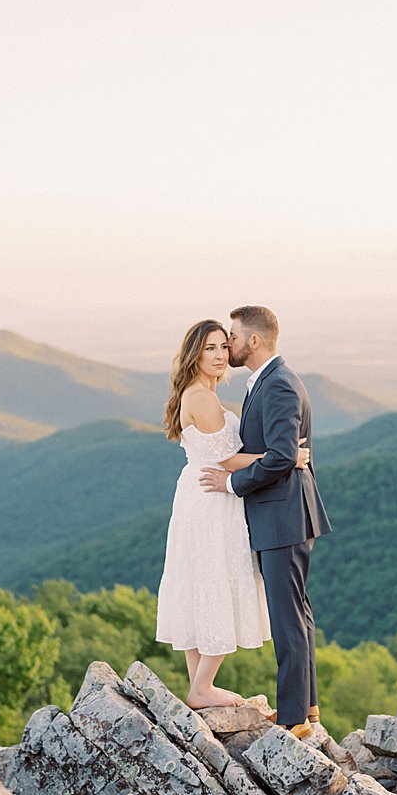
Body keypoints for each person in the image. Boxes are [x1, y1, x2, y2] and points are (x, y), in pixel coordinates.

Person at [156, 318, 311, 710]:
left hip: (201, 492)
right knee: (216, 577)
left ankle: (198, 688)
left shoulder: (199, 393)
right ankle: (203, 687)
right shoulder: (203, 398)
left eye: (224, 347)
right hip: (213, 496)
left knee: (199, 579)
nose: (221, 355)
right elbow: (225, 458)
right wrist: (284, 457)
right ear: (194, 352)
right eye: (210, 348)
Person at [198, 305, 331, 740]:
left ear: (253, 341)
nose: (229, 346)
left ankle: (294, 719)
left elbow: (278, 458)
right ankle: (307, 707)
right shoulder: (271, 381)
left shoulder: (278, 385)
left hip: (282, 514)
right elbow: (283, 454)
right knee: (298, 613)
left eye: (232, 337)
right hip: (284, 513)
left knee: (287, 617)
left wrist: (232, 482)